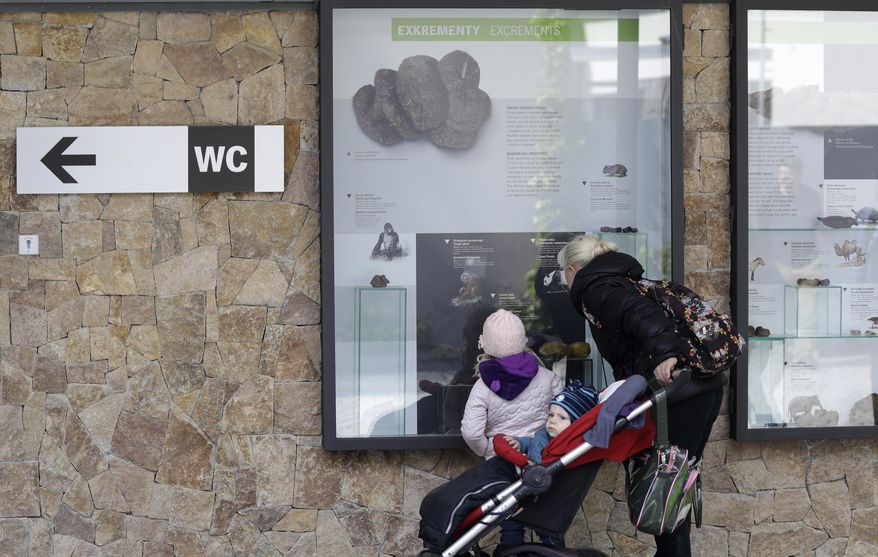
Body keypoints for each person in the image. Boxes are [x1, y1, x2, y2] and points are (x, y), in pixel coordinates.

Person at [557, 234, 724, 557]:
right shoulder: (621, 280)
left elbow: (644, 316)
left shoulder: (595, 289)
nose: (564, 281)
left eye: (564, 272)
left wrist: (665, 356)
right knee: (674, 486)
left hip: (679, 396)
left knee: (664, 486)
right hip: (701, 389)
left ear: (574, 270)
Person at [460, 309, 563, 547]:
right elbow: (564, 411)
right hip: (545, 461)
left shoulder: (482, 386)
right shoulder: (546, 377)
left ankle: (512, 551)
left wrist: (488, 450)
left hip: (504, 464)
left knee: (510, 523)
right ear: (523, 341)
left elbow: (471, 431)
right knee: (549, 523)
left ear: (485, 344)